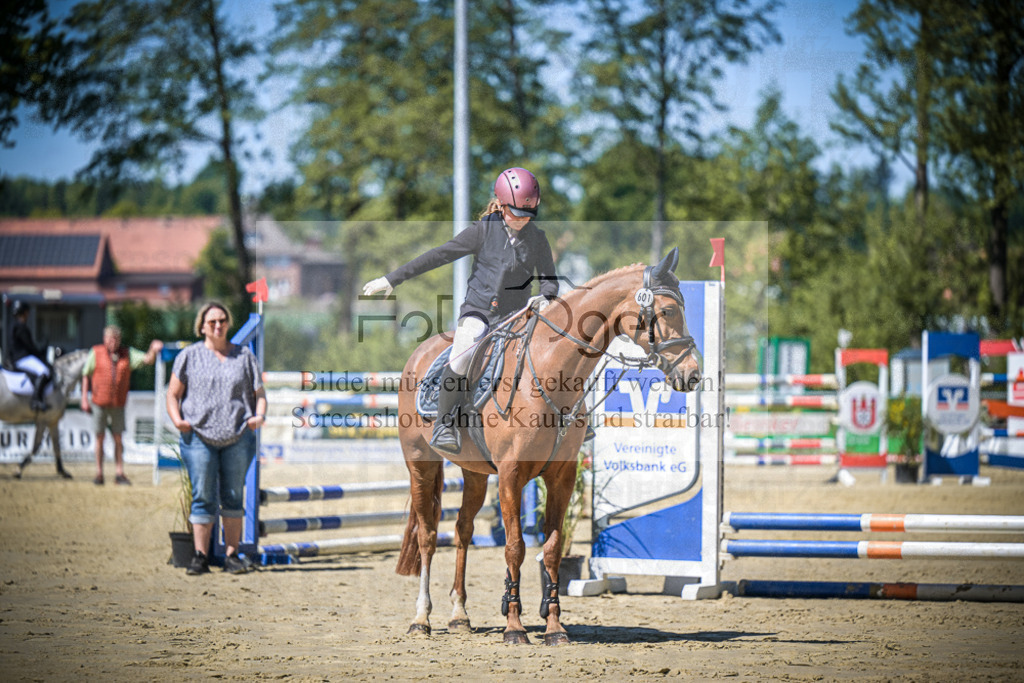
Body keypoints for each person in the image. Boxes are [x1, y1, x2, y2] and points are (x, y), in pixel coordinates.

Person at [362, 167, 558, 454]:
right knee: (464, 351)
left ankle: (569, 417)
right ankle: (444, 424)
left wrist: (546, 297)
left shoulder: (537, 238)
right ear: (502, 206)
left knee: (556, 349)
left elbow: (550, 280)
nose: (523, 220)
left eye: (528, 214)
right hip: (480, 313)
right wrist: (393, 278)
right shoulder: (481, 232)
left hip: (518, 317)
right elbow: (438, 255)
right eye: (516, 213)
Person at [165, 302, 267, 576]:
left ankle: (232, 555)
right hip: (198, 436)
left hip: (238, 436)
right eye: (212, 322)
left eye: (222, 320)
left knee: (234, 496)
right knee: (203, 496)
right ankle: (200, 555)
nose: (218, 325)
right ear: (202, 327)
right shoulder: (189, 356)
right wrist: (177, 420)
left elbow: (260, 395)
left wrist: (259, 417)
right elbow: (172, 394)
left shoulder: (244, 356)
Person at [80, 326, 163, 486]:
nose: (113, 342)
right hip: (99, 402)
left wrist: (153, 348)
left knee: (118, 438)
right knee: (99, 438)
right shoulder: (96, 352)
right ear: (105, 339)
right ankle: (99, 473)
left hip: (118, 403)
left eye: (116, 338)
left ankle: (119, 472)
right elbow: (85, 374)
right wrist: (84, 398)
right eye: (110, 338)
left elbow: (147, 359)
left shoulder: (127, 353)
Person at [8, 300, 52, 411]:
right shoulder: (21, 327)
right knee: (45, 371)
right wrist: (40, 353)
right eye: (27, 312)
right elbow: (30, 347)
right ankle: (36, 400)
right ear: (24, 312)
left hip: (16, 358)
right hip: (22, 358)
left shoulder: (13, 326)